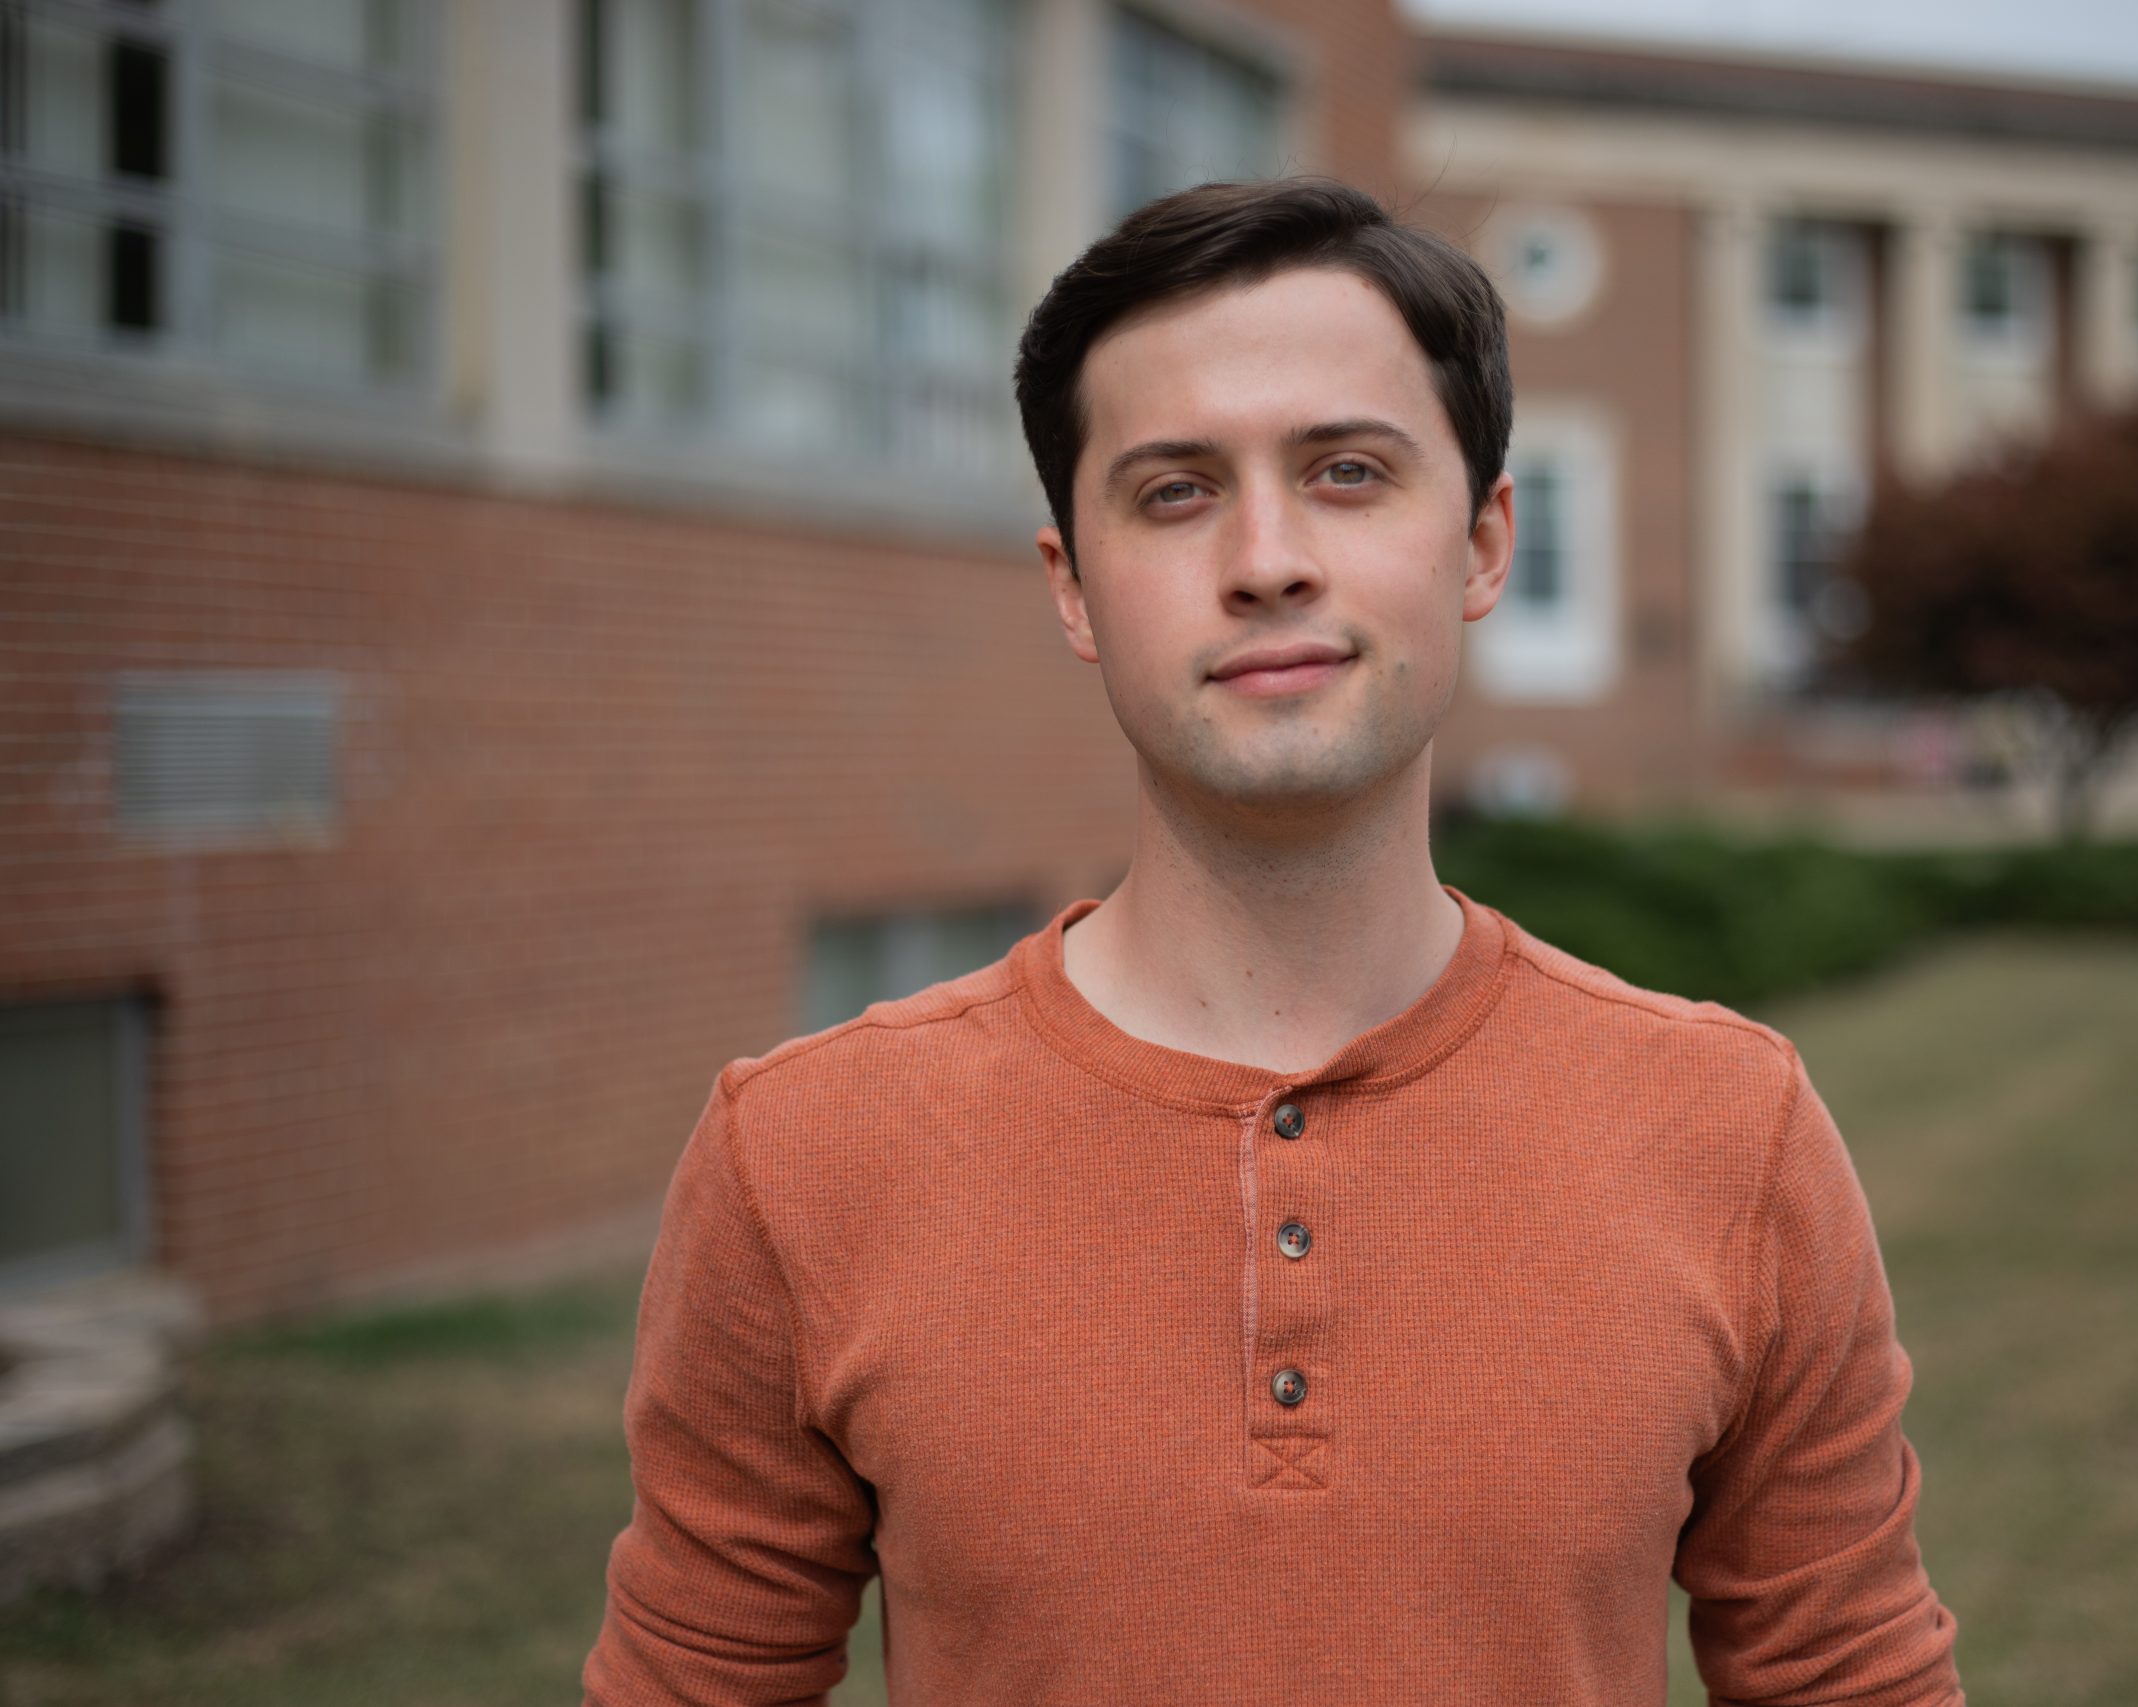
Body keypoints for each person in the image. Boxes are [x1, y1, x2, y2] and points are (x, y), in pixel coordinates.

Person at [581, 176, 1962, 1706]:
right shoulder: (808, 1157)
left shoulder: (1731, 1135)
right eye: (1174, 490)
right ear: (1076, 587)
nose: (1266, 557)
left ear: (1487, 543)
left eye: (1348, 473)